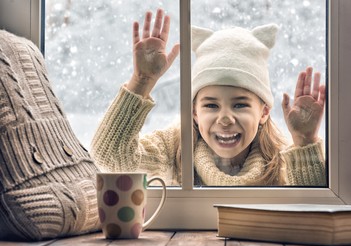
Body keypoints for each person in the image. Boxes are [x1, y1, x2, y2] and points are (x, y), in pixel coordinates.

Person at [91, 9, 326, 186]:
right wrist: (142, 80)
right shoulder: (174, 148)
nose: (225, 119)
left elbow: (314, 208)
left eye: (240, 104)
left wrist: (305, 141)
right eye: (211, 105)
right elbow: (110, 156)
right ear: (194, 111)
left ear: (264, 112)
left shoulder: (282, 161)